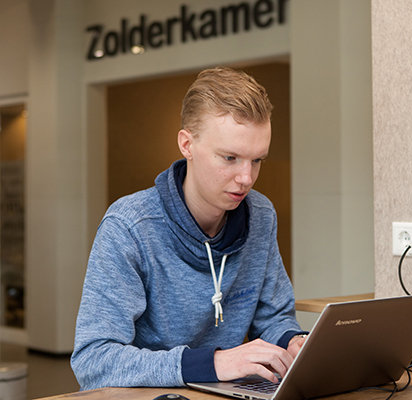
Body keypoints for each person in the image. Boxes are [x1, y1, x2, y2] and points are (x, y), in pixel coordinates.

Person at [71, 66, 307, 390]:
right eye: (230, 158)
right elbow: (93, 361)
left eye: (257, 160)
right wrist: (212, 363)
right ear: (187, 145)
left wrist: (292, 342)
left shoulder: (260, 215)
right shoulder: (129, 227)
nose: (246, 178)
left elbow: (274, 318)